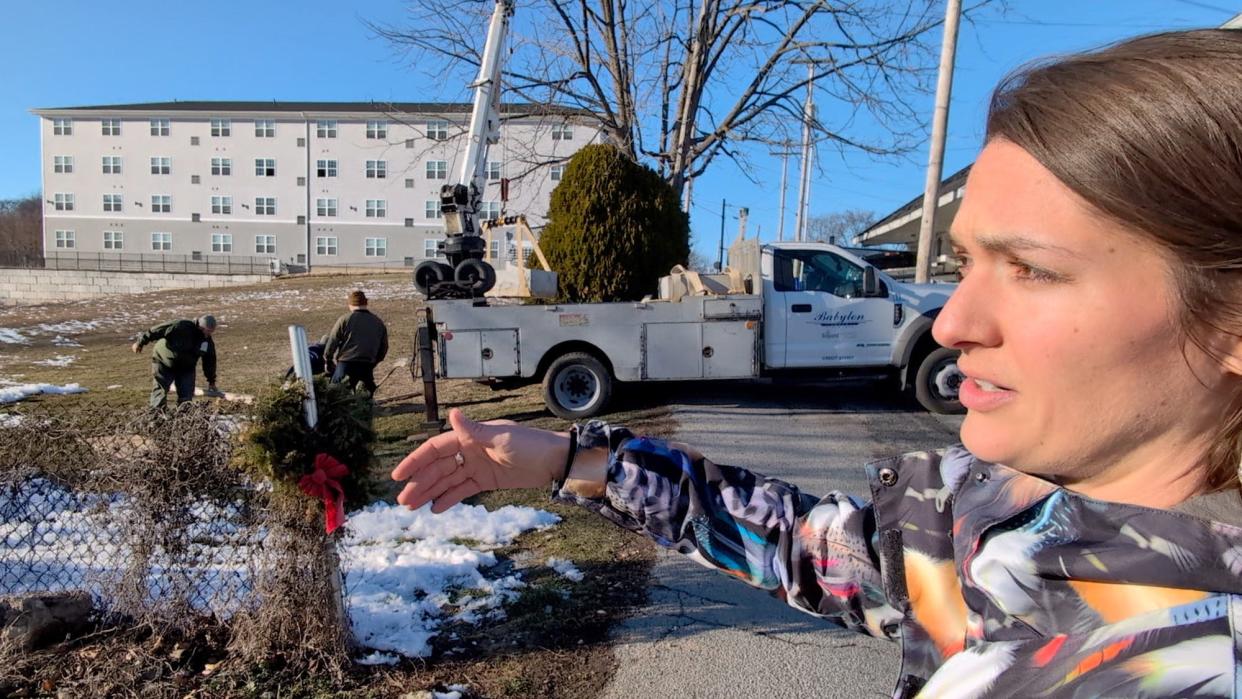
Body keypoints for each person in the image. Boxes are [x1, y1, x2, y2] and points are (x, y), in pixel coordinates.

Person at [393, 29, 1242, 697]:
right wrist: (571, 459)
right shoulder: (1007, 504)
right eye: (968, 260)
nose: (951, 320)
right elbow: (817, 550)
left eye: (1033, 269)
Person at [132, 315, 220, 409]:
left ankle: (183, 416)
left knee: (186, 394)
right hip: (164, 361)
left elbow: (209, 361)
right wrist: (140, 342)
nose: (209, 334)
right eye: (208, 330)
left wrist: (211, 381)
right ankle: (156, 414)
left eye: (211, 331)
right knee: (161, 389)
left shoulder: (206, 342)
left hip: (186, 367)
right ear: (201, 327)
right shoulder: (180, 326)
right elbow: (158, 329)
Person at [324, 290, 388, 394]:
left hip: (346, 364)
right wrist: (374, 361)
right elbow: (384, 347)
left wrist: (328, 359)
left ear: (350, 304)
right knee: (365, 395)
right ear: (365, 303)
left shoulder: (344, 319)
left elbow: (333, 340)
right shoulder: (378, 322)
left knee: (336, 394)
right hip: (367, 365)